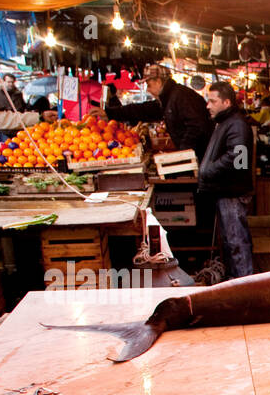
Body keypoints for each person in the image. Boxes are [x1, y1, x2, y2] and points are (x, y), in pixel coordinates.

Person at [198, 80, 255, 278]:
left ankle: (245, 285)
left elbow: (237, 160)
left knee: (237, 242)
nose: (208, 105)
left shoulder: (236, 125)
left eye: (212, 101)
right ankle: (236, 283)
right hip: (226, 191)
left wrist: (208, 171)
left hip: (232, 193)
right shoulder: (225, 123)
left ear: (227, 103)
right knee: (232, 243)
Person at [93, 63, 211, 156]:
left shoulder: (181, 96)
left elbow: (197, 126)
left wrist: (184, 153)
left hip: (202, 157)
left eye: (149, 85)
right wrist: (109, 113)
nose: (147, 90)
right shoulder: (168, 99)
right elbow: (142, 110)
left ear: (158, 82)